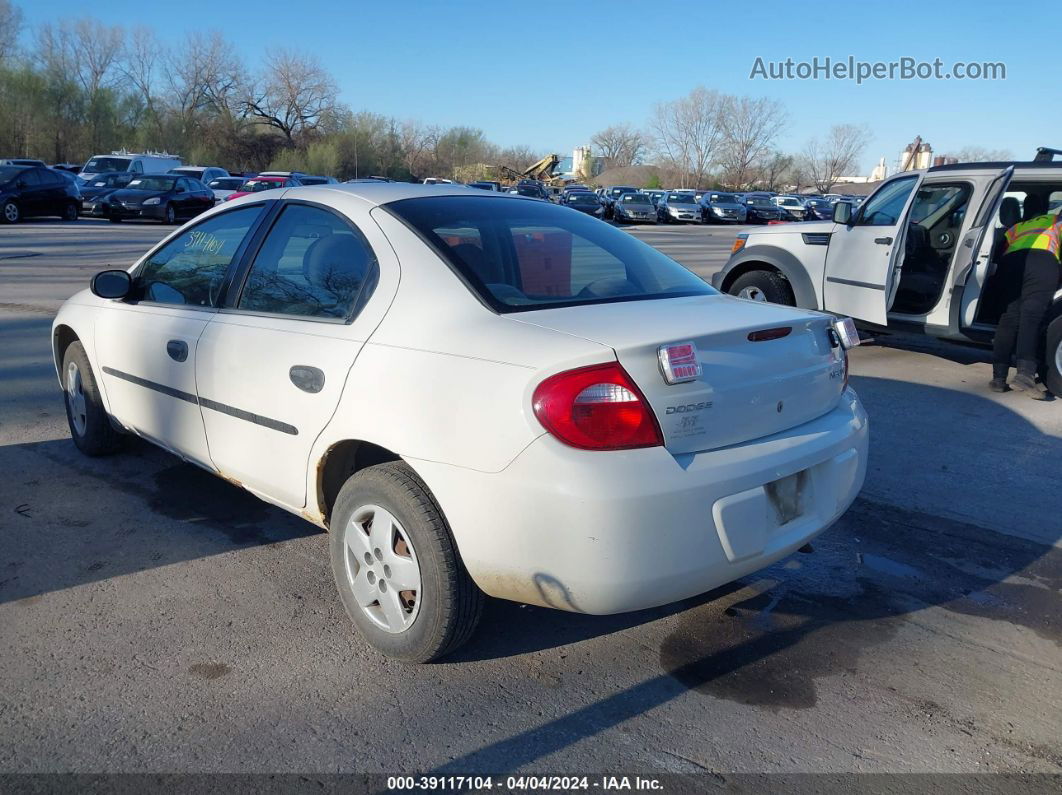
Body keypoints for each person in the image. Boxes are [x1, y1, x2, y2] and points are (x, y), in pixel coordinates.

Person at [990, 193, 1062, 398]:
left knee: (1009, 318)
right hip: (1042, 262)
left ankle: (998, 378)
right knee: (1031, 316)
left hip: (1011, 264)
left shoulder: (1017, 227)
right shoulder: (1056, 221)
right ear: (1046, 207)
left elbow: (998, 253)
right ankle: (1025, 375)